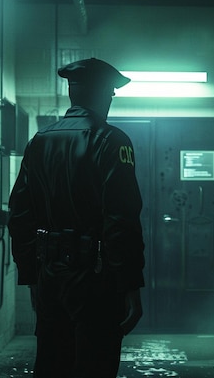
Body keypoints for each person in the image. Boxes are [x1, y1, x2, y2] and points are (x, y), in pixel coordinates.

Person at [8, 58, 145, 378]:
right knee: (94, 364)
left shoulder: (39, 141)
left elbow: (20, 214)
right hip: (96, 278)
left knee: (52, 364)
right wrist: (130, 286)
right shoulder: (112, 141)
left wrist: (31, 275)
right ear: (101, 95)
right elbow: (121, 219)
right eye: (111, 94)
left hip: (50, 275)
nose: (111, 101)